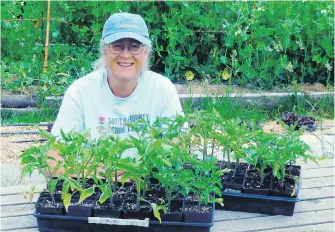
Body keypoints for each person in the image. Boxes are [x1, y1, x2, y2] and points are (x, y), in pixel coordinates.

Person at [47, 12, 183, 174]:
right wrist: (106, 174)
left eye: (135, 46)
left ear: (146, 52)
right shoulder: (80, 92)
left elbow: (179, 145)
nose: (126, 54)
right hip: (93, 187)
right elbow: (52, 161)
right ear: (104, 51)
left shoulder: (161, 89)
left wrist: (139, 172)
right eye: (117, 46)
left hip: (146, 187)